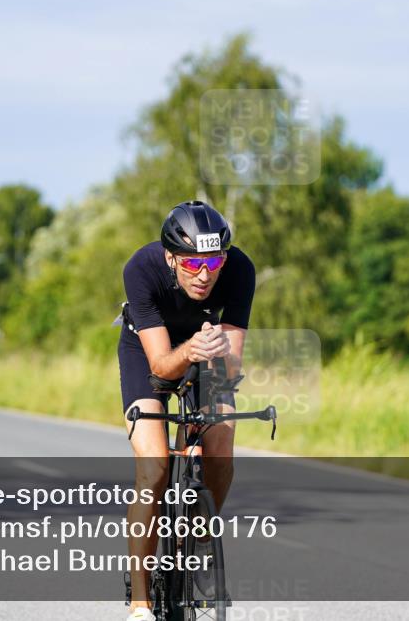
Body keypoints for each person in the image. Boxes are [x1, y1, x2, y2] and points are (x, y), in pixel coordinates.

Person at [119, 200, 255, 621]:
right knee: (155, 466)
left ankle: (198, 538)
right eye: (193, 263)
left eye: (214, 262)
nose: (205, 274)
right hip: (149, 351)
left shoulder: (239, 270)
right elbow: (160, 366)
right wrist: (190, 350)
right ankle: (140, 603)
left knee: (221, 438)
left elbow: (231, 365)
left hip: (208, 348)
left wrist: (214, 359)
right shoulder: (141, 269)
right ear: (170, 258)